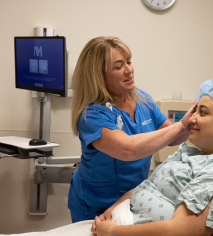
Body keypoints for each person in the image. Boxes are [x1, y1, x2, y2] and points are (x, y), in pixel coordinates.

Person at [91, 79, 213, 236]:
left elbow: (180, 231)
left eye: (202, 113)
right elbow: (150, 185)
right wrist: (113, 208)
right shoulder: (191, 154)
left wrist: (112, 232)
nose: (191, 119)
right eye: (194, 111)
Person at [69, 36, 198, 222]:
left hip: (133, 197)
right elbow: (128, 149)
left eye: (129, 62)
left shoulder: (143, 100)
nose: (129, 70)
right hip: (94, 203)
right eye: (119, 66)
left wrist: (193, 121)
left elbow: (173, 136)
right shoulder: (92, 115)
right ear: (98, 75)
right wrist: (182, 125)